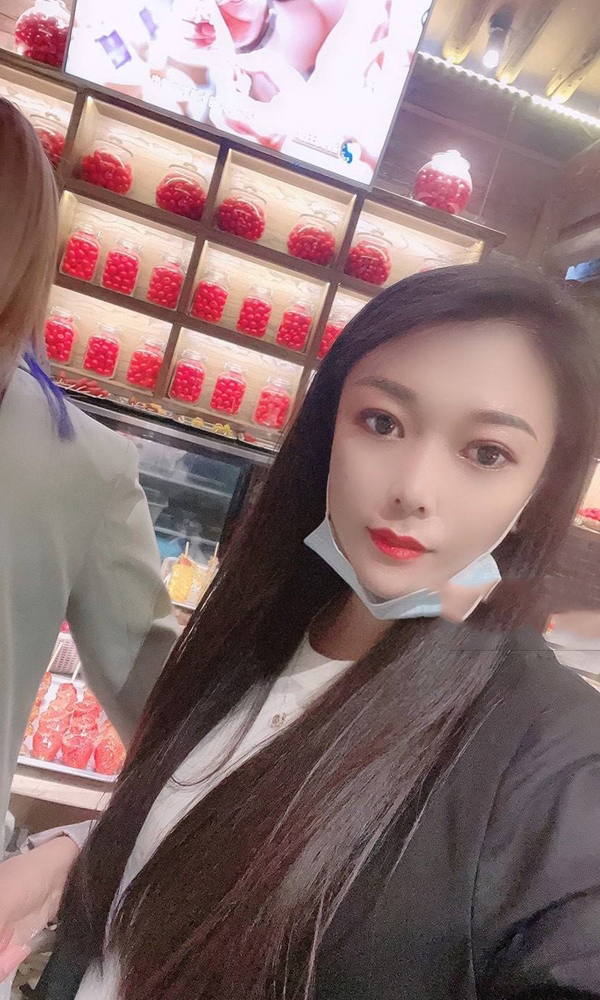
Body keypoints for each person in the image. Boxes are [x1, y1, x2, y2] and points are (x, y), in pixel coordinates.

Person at [9, 264, 600, 999]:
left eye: (486, 454)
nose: (413, 490)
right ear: (328, 431)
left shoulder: (555, 761)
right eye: (382, 422)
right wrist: (75, 859)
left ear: (541, 487)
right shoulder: (258, 634)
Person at [0, 98, 179, 976]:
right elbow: (180, 714)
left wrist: (67, 854)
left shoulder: (80, 464)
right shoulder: (80, 462)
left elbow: (178, 715)